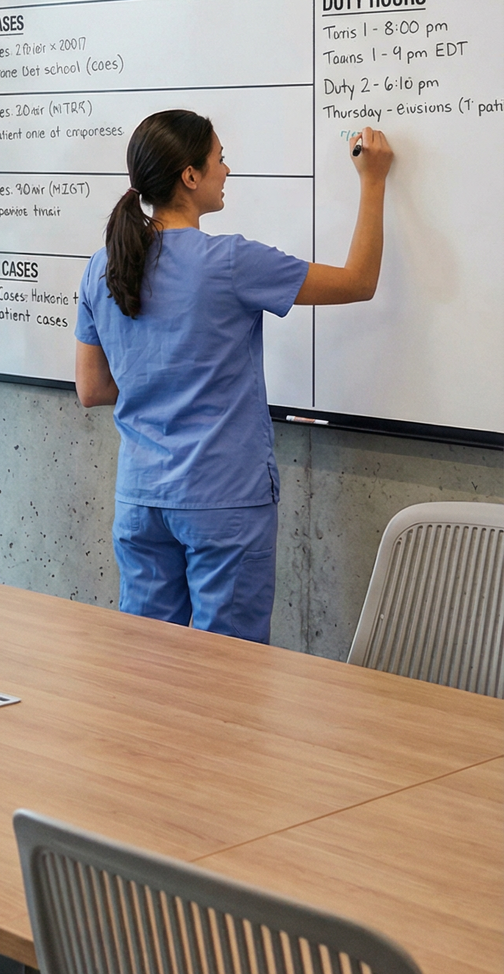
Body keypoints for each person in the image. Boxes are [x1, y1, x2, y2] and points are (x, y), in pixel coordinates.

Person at [74, 110, 393, 643]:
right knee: (230, 677)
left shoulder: (101, 264)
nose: (227, 169)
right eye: (219, 159)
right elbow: (359, 281)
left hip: (141, 498)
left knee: (148, 668)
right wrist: (374, 181)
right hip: (222, 500)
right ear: (189, 176)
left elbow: (92, 389)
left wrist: (160, 377)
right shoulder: (229, 261)